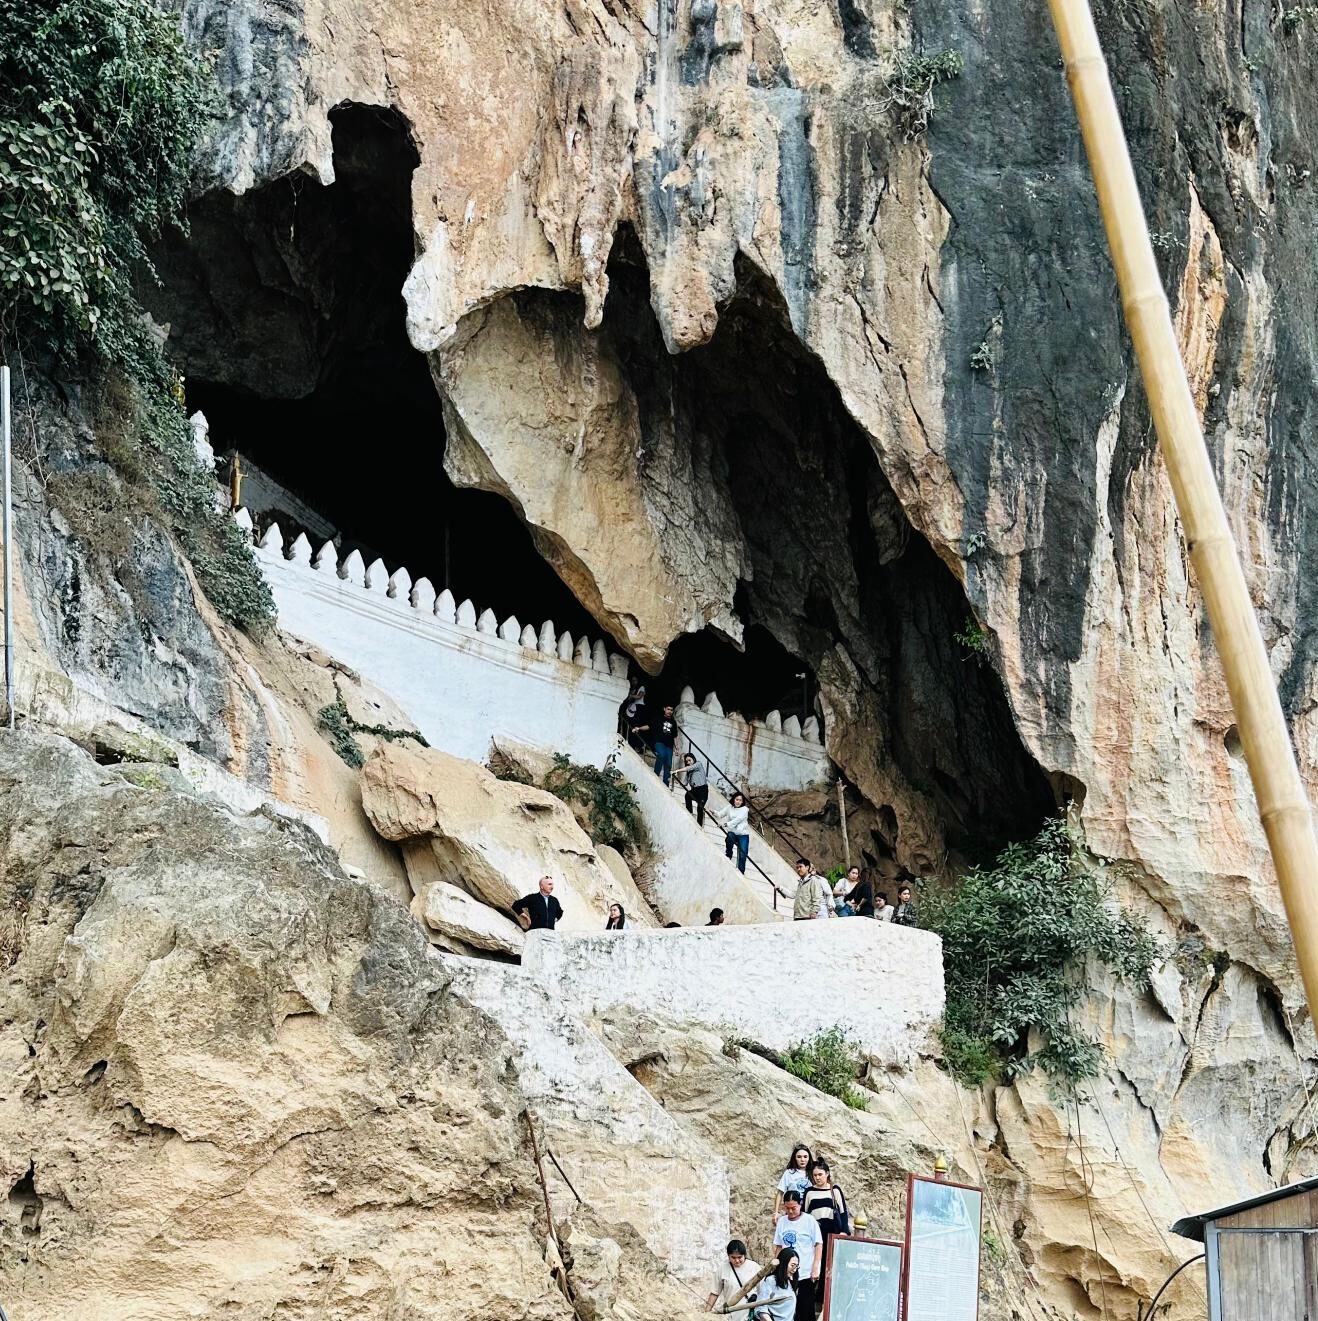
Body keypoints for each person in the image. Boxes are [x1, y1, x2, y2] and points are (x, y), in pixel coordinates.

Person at [801, 1159, 849, 1310]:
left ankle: (825, 1299)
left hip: (832, 1232)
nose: (817, 1178)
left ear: (827, 1174)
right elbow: (805, 1213)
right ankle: (812, 1299)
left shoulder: (834, 1190)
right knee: (814, 1263)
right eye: (815, 1175)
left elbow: (843, 1212)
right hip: (815, 1232)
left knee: (830, 1264)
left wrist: (844, 1231)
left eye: (820, 1174)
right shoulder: (809, 1192)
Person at [773, 1191, 824, 1320]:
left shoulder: (809, 1220)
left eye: (793, 1208)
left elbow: (818, 1244)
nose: (790, 1211)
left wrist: (816, 1267)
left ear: (800, 1205)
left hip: (805, 1272)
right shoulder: (782, 1222)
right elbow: (779, 1246)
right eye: (787, 1208)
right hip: (786, 1273)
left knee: (805, 1308)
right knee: (787, 1309)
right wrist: (775, 1268)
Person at [733, 1248, 798, 1321]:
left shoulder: (790, 1283)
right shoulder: (771, 1281)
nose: (795, 1269)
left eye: (796, 1266)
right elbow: (761, 1309)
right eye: (792, 1265)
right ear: (784, 1264)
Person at [705, 1239, 762, 1313]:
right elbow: (715, 1292)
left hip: (750, 1312)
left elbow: (762, 1291)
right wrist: (706, 1312)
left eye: (739, 1257)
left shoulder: (754, 1267)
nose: (737, 1260)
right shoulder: (722, 1269)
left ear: (744, 1255)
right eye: (733, 1257)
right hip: (731, 1312)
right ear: (728, 1256)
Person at [773, 1144, 813, 1221]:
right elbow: (780, 1192)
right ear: (795, 1158)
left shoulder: (813, 1173)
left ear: (809, 1158)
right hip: (793, 1209)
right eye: (799, 1157)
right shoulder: (789, 1173)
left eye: (805, 1157)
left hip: (809, 1210)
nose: (802, 1160)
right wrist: (776, 1212)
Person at [716, 792, 752, 874]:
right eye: (737, 799)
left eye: (740, 800)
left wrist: (725, 824)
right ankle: (729, 853)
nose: (738, 802)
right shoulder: (729, 807)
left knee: (743, 855)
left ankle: (741, 873)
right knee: (729, 837)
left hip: (743, 835)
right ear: (734, 799)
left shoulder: (745, 810)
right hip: (732, 832)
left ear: (742, 802)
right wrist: (713, 812)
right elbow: (720, 814)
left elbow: (738, 820)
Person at [673, 751, 710, 825]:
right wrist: (676, 780)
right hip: (695, 790)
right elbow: (685, 783)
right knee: (688, 795)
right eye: (687, 761)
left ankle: (699, 825)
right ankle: (689, 814)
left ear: (693, 759)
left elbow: (690, 767)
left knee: (700, 807)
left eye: (690, 760)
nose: (689, 762)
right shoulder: (689, 772)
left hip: (703, 789)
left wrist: (677, 770)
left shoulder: (698, 764)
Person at [651, 703, 679, 785]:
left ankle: (666, 783)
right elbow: (650, 726)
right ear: (664, 709)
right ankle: (656, 774)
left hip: (669, 745)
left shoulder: (673, 722)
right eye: (668, 709)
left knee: (669, 763)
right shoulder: (659, 719)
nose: (670, 711)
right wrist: (638, 728)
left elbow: (675, 736)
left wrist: (677, 748)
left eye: (671, 710)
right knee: (661, 755)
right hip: (659, 742)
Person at [621, 683, 649, 751]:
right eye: (633, 680)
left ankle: (638, 745)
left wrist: (630, 695)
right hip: (633, 708)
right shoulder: (633, 689)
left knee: (637, 726)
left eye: (635, 680)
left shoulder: (641, 687)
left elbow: (639, 696)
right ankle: (632, 743)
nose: (634, 682)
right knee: (632, 726)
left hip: (639, 708)